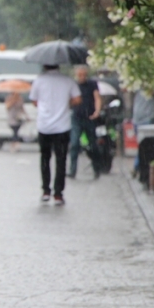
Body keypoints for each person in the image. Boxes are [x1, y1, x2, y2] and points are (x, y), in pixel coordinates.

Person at [29, 65, 82, 205]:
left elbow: (34, 101)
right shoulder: (68, 81)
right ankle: (58, 193)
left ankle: (46, 190)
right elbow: (77, 99)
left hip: (44, 125)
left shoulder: (39, 81)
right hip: (62, 125)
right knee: (61, 159)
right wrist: (65, 103)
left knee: (45, 158)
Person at [68, 65, 102, 179]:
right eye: (79, 75)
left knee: (93, 144)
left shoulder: (92, 84)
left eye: (84, 74)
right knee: (74, 144)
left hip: (89, 117)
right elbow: (69, 100)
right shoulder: (73, 85)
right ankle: (72, 170)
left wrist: (97, 111)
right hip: (76, 118)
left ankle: (96, 168)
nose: (82, 77)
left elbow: (97, 97)